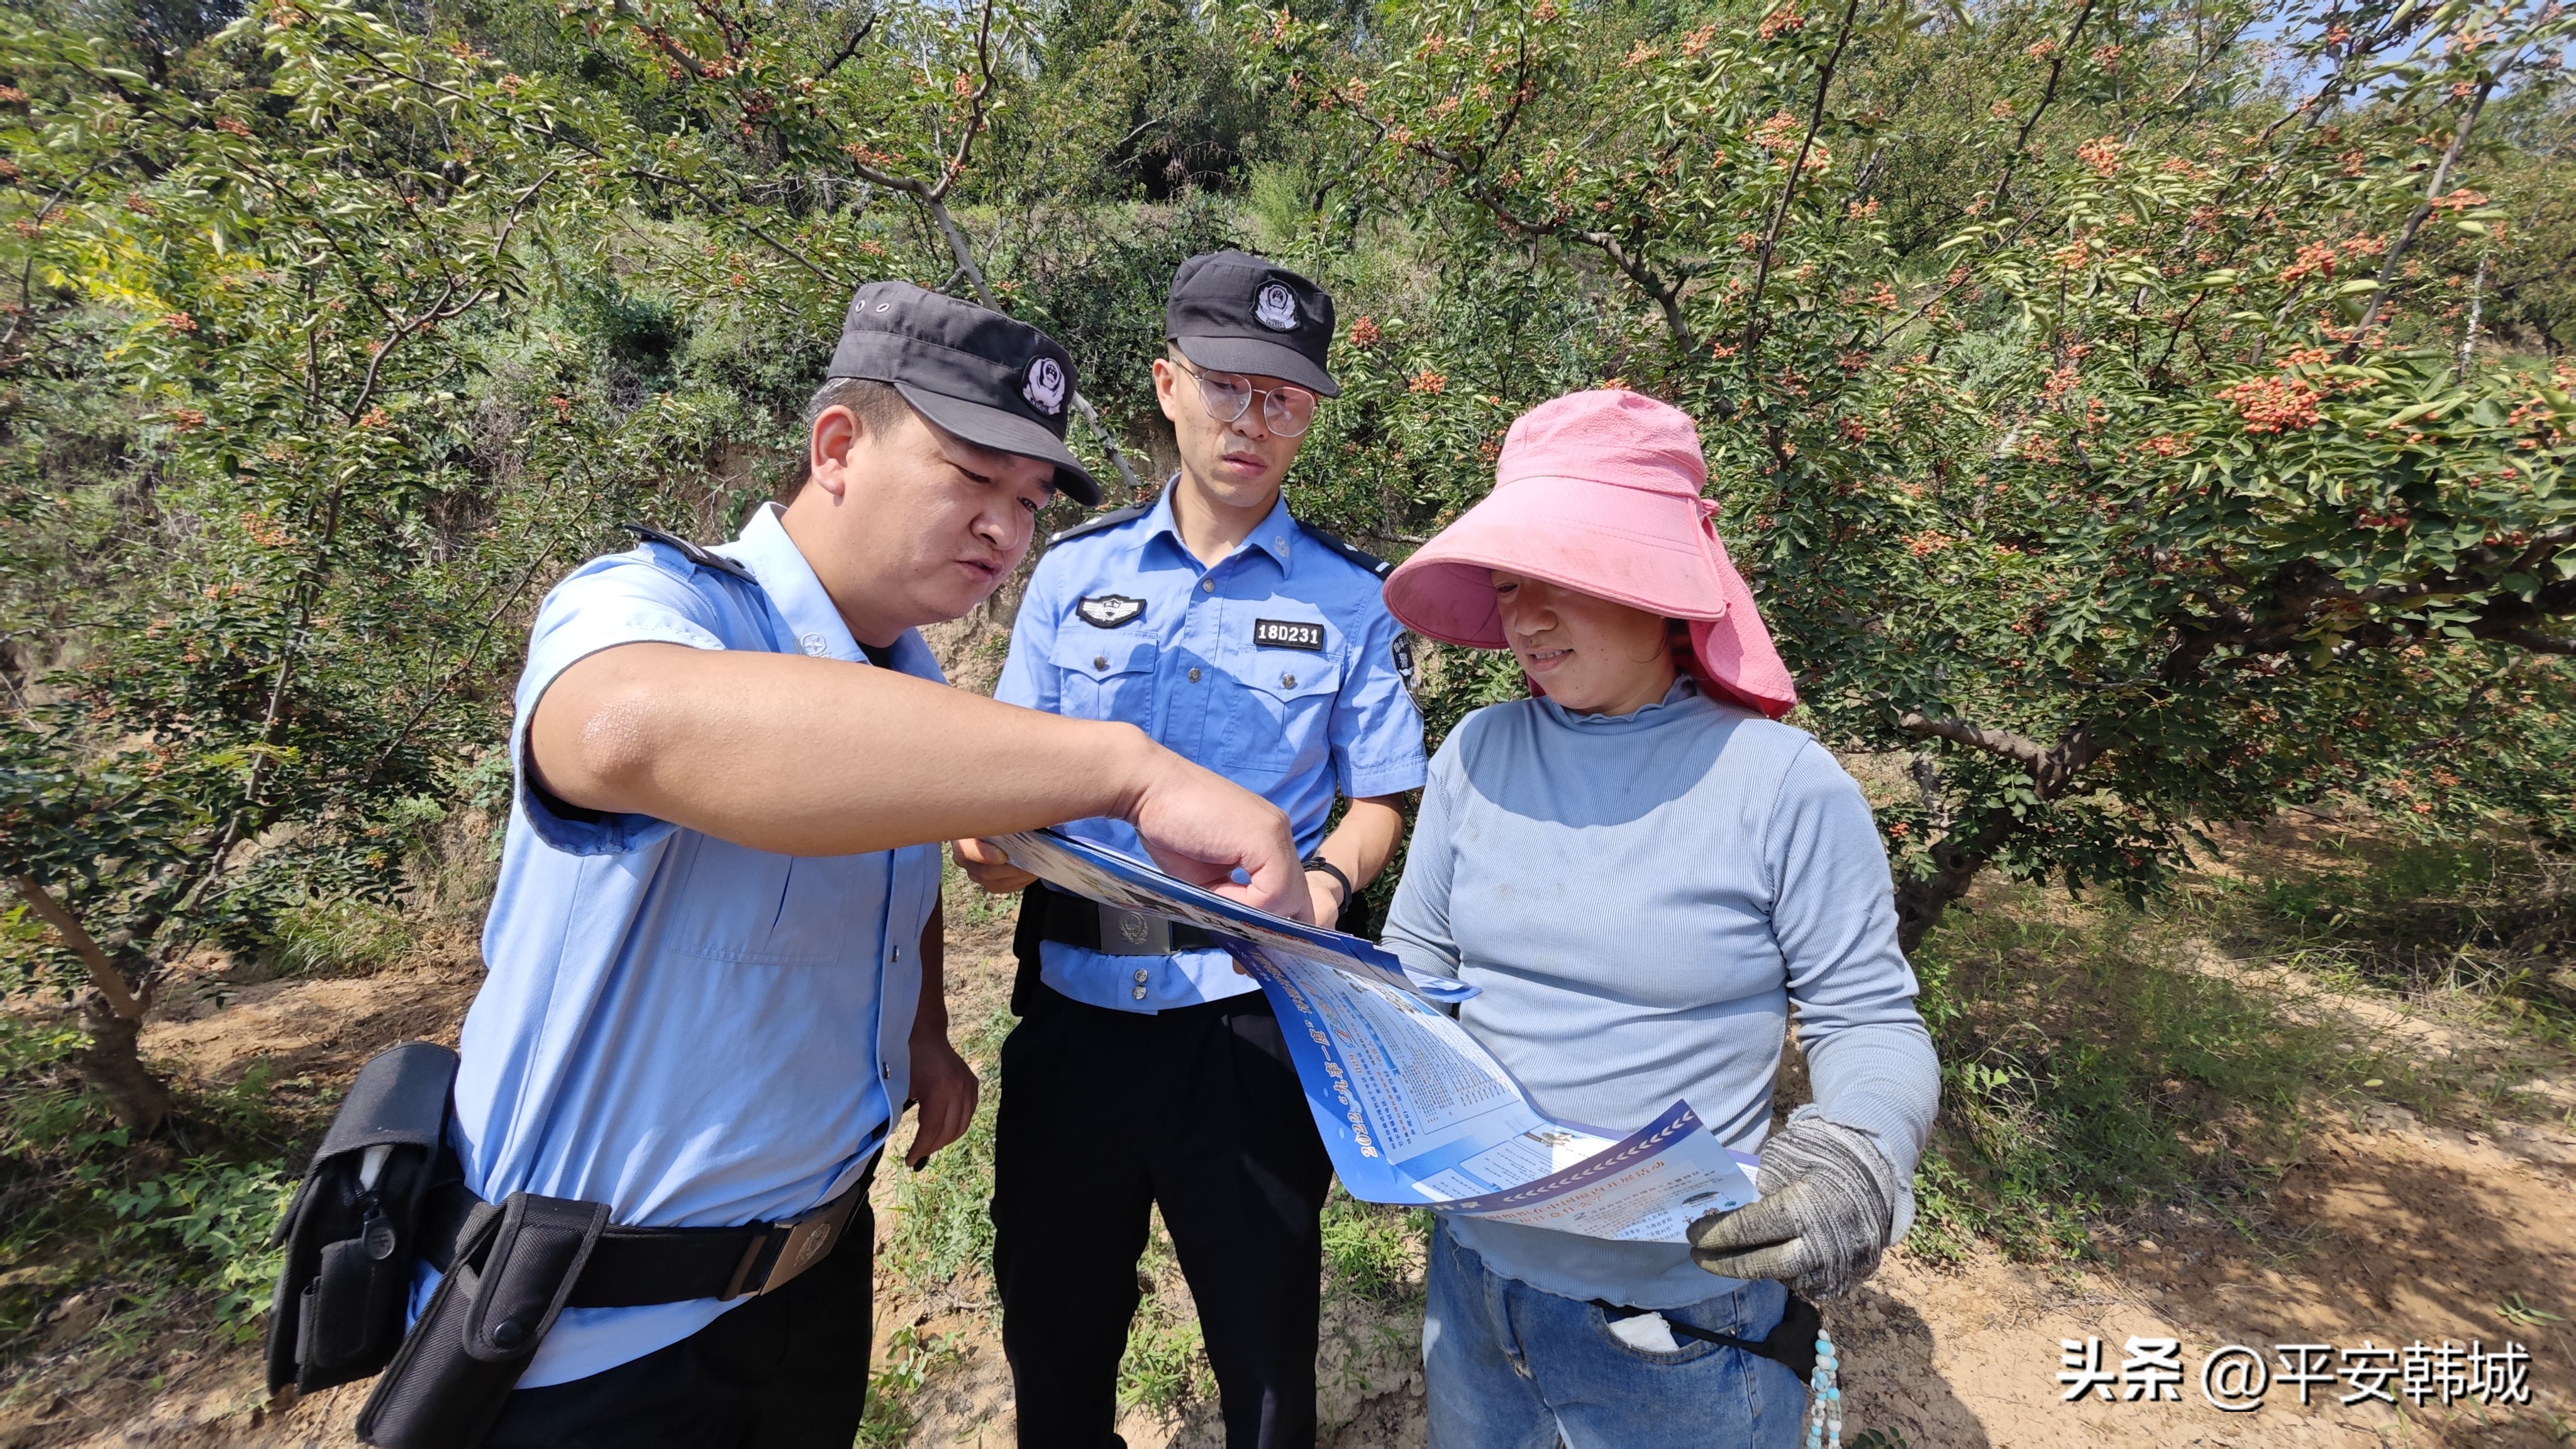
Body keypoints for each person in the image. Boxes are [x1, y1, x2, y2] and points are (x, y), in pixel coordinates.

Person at [438, 281, 1311, 1449]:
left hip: (810, 1281)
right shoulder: (660, 603)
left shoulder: (914, 695)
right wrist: (1131, 769)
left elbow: (895, 875)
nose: (1006, 528)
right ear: (839, 446)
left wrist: (925, 1031)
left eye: (1030, 500)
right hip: (596, 1336)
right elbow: (622, 730)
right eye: (971, 476)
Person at [1374, 389, 1940, 1449]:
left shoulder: (1781, 786)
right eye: (1507, 582)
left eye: (1562, 579)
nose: (1524, 619)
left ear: (1662, 587)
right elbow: (1419, 960)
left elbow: (1870, 1022)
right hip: (1476, 1288)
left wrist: (1858, 1151)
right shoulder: (1478, 754)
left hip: (1682, 1324)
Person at [952, 251, 1428, 1449]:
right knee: (1055, 1346)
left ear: (1309, 416)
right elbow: (1000, 784)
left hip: (1252, 1018)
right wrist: (993, 845)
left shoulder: (1355, 600)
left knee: (1266, 1363)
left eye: (1285, 398)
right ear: (1169, 385)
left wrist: (1324, 883)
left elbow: (1378, 800)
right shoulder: (1069, 574)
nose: (1252, 421)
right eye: (1228, 385)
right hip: (1075, 1012)